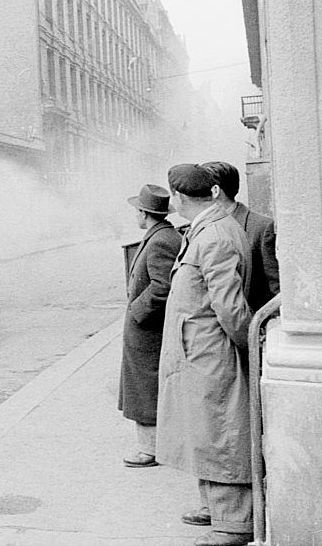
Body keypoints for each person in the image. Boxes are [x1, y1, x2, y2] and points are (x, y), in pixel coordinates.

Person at [156, 164, 253, 546]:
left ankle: (234, 523)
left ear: (179, 199)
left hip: (211, 355)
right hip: (200, 353)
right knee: (206, 430)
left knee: (221, 433)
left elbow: (230, 309)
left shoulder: (212, 236)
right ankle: (216, 507)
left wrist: (247, 350)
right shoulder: (208, 229)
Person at [119, 184, 180, 469]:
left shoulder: (160, 240)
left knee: (145, 390)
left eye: (137, 211)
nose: (136, 215)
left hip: (148, 332)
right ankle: (154, 445)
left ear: (145, 213)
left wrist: (136, 311)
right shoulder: (161, 234)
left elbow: (162, 287)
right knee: (145, 387)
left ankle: (149, 449)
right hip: (147, 331)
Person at [200, 161, 279, 313]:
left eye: (200, 188)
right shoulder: (203, 227)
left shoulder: (261, 227)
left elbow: (275, 288)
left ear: (215, 190)